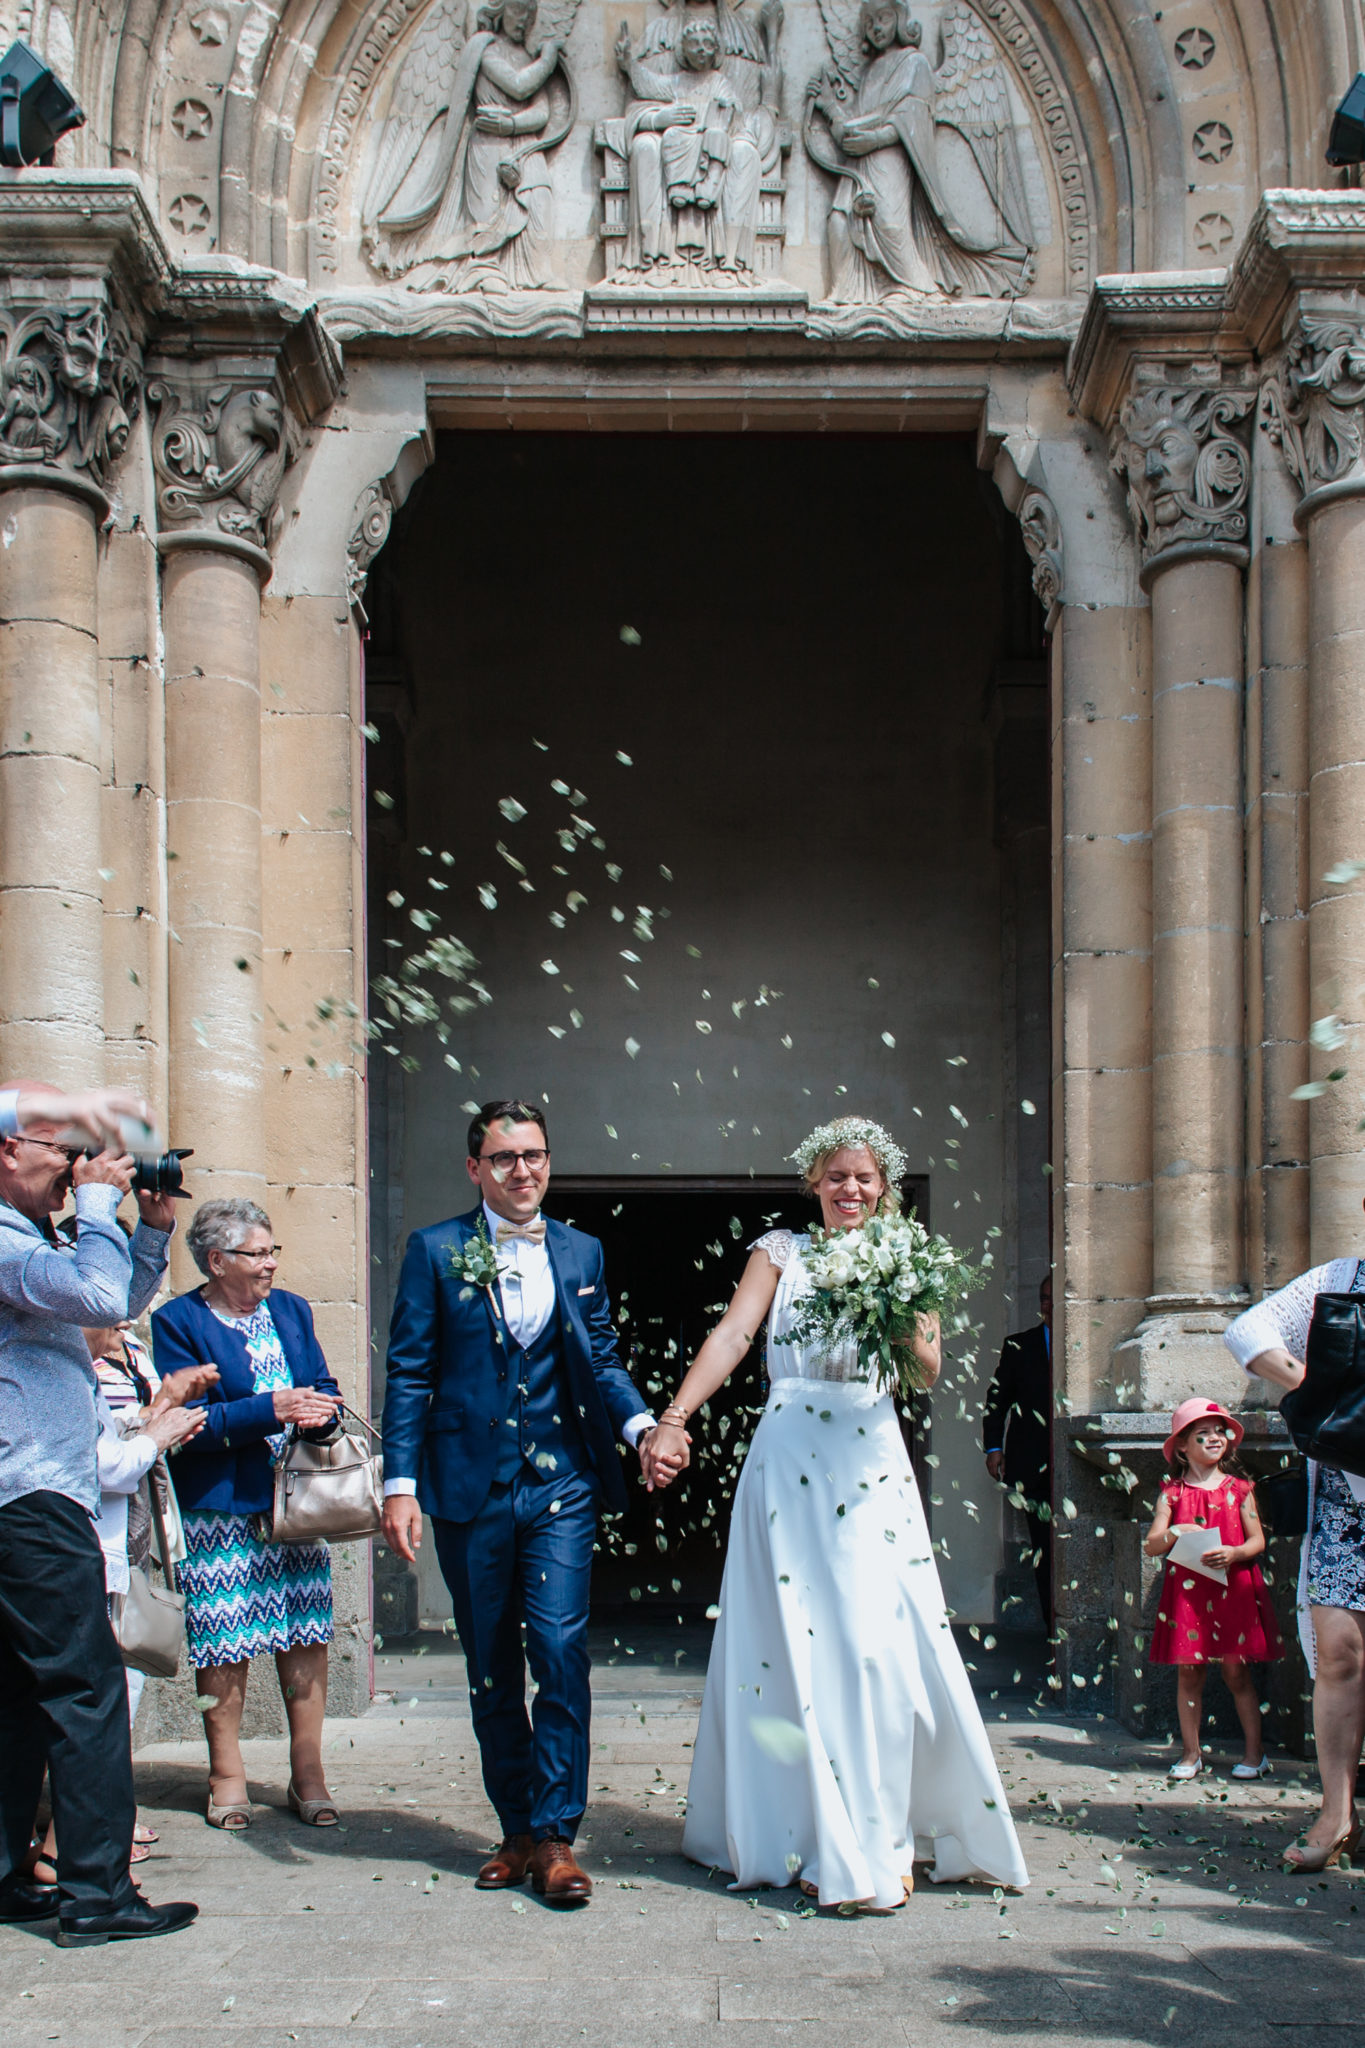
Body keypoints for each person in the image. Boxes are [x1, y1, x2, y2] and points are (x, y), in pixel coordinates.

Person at [649, 1114, 1029, 1911]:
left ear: (884, 1186)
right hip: (787, 1454)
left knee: (869, 1647)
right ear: (812, 1183)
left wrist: (890, 1296)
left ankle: (878, 1839)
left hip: (868, 1454)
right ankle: (791, 1833)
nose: (848, 1189)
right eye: (834, 1176)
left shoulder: (911, 1255)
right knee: (783, 1647)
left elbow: (924, 1373)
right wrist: (676, 1416)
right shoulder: (777, 1253)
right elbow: (732, 1335)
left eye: (862, 1177)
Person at [380, 1099, 676, 1905]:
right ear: (476, 1168)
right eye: (506, 1158)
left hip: (562, 1484)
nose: (524, 1171)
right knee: (488, 1667)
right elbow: (409, 1371)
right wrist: (398, 1485)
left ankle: (555, 1838)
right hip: (469, 1486)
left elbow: (602, 1357)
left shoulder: (583, 1251)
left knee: (557, 1650)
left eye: (535, 1155)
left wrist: (645, 1425)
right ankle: (513, 1829)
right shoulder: (436, 1249)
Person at [0, 1081, 197, 1946]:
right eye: (59, 1146)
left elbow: (113, 1301)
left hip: (34, 1491)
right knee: (87, 1693)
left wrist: (147, 1226)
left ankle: (8, 1877)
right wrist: (95, 1202)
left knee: (15, 1699)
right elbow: (97, 1301)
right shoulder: (4, 1242)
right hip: (32, 1496)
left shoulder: (29, 1239)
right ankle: (97, 1896)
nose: (74, 1165)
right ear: (7, 1150)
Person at [151, 1201, 343, 1831]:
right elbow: (185, 1427)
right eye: (257, 1253)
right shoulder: (178, 1322)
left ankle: (308, 1772)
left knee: (305, 1635)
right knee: (224, 1638)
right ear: (216, 1261)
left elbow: (321, 1381)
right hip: (221, 1504)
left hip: (296, 1501)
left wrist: (325, 1410)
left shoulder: (290, 1309)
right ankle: (226, 1774)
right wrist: (272, 1408)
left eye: (272, 1251)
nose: (271, 1264)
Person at [24, 1333, 207, 1889]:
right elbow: (103, 1465)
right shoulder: (60, 1370)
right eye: (109, 1312)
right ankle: (72, 1857)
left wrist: (156, 1410)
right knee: (98, 1704)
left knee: (111, 1696)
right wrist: (158, 1434)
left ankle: (83, 1840)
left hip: (106, 1553)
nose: (122, 1324)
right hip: (79, 1554)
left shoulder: (90, 1360)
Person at [1226, 1246, 1365, 1870]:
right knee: (1340, 1652)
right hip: (1346, 1499)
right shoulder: (1340, 1279)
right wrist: (1317, 1391)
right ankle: (1336, 1813)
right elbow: (1246, 1331)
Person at [1144, 1398, 1280, 1781]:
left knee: (1237, 1673)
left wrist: (1235, 1552)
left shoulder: (1240, 1489)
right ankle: (1191, 1754)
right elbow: (1152, 1543)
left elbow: (1258, 1541)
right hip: (1189, 1594)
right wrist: (1174, 1531)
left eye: (1219, 1431)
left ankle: (1256, 1754)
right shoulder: (1172, 1493)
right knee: (1189, 1673)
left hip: (1232, 1589)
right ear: (1183, 1447)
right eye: (1202, 1434)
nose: (1214, 1438)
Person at [982, 1274, 1053, 1630]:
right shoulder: (1019, 1346)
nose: (1047, 1306)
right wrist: (994, 1447)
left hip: (1075, 1459)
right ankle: (1051, 1630)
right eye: (1042, 1298)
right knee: (1044, 1549)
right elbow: (996, 1402)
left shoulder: (1087, 1343)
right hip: (1032, 1463)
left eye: (1053, 1299)